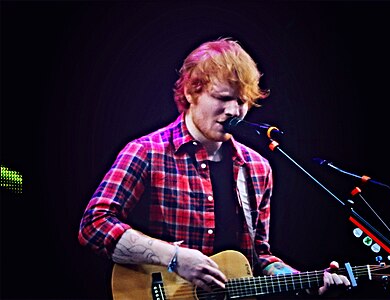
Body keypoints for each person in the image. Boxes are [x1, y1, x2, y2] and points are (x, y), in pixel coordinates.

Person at [78, 37, 350, 298]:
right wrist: (174, 258)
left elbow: (259, 257)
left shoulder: (257, 168)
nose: (233, 110)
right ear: (190, 92)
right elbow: (94, 225)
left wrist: (305, 281)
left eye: (242, 101)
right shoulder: (147, 152)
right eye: (222, 97)